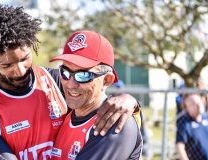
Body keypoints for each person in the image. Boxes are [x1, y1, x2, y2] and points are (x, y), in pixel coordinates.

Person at [0, 3, 141, 160]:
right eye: (7, 65)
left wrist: (129, 100)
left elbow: (96, 100)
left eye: (24, 58)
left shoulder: (55, 83)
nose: (19, 71)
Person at [50, 30, 142, 160]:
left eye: (83, 75)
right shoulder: (67, 113)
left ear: (107, 80)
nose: (70, 84)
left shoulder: (115, 122)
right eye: (65, 72)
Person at [176, 93, 208, 160]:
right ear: (187, 108)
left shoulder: (206, 118)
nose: (198, 105)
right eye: (193, 104)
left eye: (199, 102)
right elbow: (180, 146)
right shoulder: (185, 124)